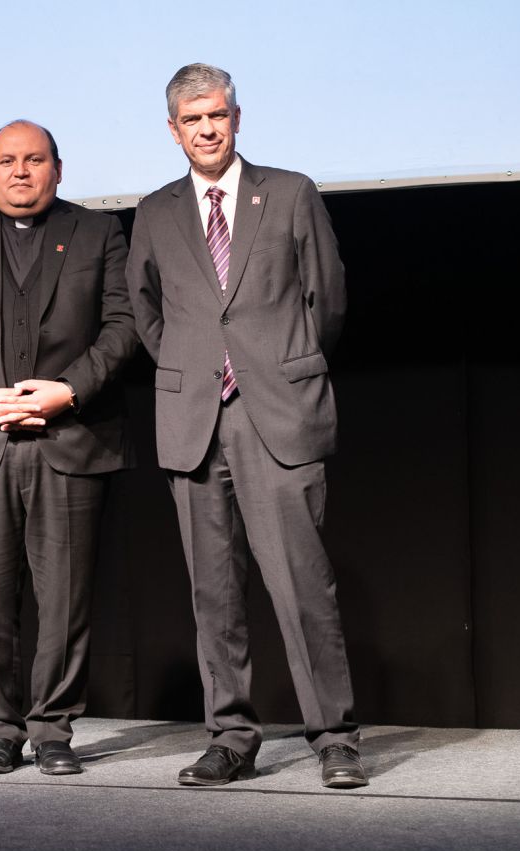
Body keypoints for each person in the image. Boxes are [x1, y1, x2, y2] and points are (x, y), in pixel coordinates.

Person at [126, 63, 366, 788]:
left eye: (218, 115)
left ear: (236, 118)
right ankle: (230, 738)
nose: (207, 129)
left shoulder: (289, 192)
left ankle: (335, 737)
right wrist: (198, 367)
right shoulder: (156, 211)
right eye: (193, 119)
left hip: (278, 414)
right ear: (173, 131)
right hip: (195, 420)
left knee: (302, 585)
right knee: (215, 596)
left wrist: (279, 367)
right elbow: (146, 312)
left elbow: (327, 299)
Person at [0, 120, 137, 775]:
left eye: (34, 159)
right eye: (7, 161)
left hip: (70, 437)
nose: (20, 171)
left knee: (65, 599)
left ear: (57, 170)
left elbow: (124, 325)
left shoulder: (99, 232)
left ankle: (53, 729)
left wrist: (70, 389)